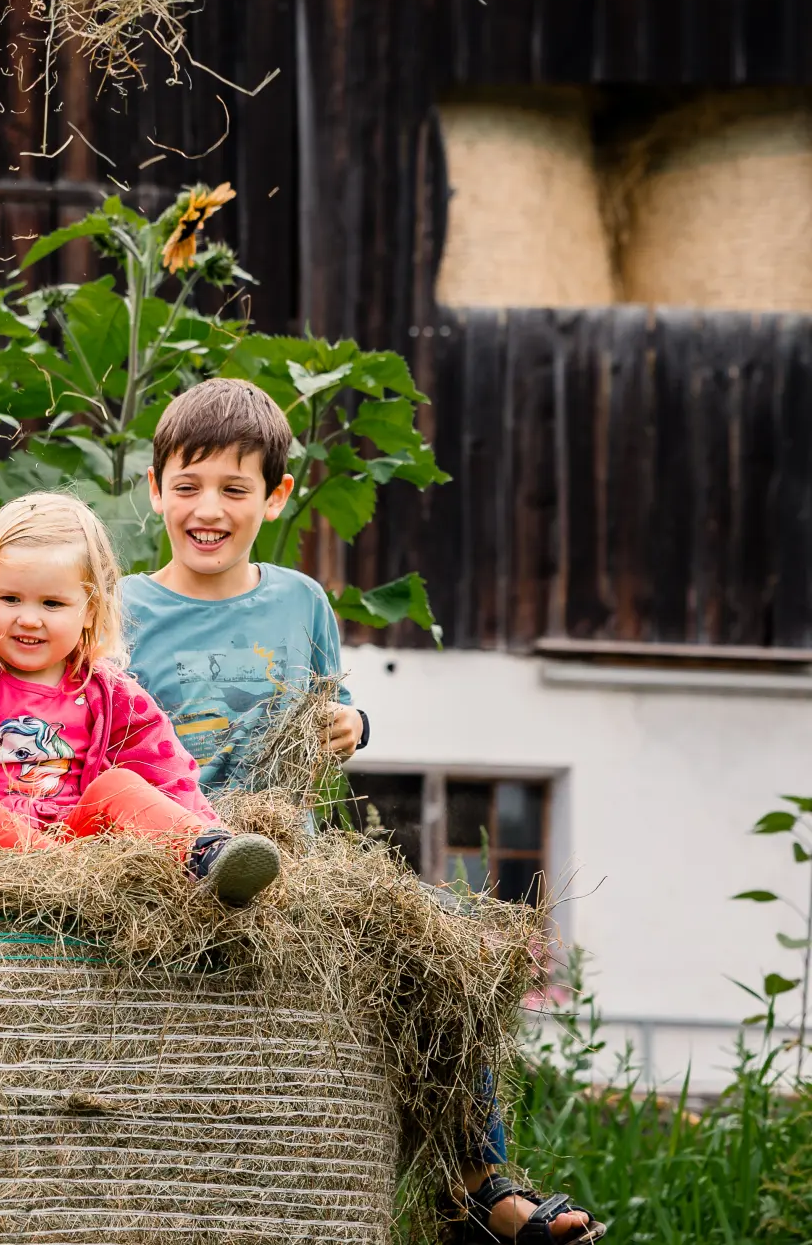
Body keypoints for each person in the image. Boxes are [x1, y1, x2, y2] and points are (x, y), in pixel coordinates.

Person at [122, 377, 603, 1245]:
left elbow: (330, 711)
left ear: (275, 497)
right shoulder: (123, 606)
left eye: (235, 490)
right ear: (154, 489)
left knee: (448, 949)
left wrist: (356, 722)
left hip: (289, 859)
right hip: (171, 852)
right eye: (187, 486)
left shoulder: (299, 600)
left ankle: (479, 1181)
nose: (208, 509)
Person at [0, 492, 283, 908]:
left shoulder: (108, 691)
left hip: (68, 842)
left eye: (52, 604)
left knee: (118, 785)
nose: (29, 619)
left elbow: (167, 772)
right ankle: (62, 878)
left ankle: (209, 856)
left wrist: (203, 828)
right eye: (9, 598)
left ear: (89, 611)